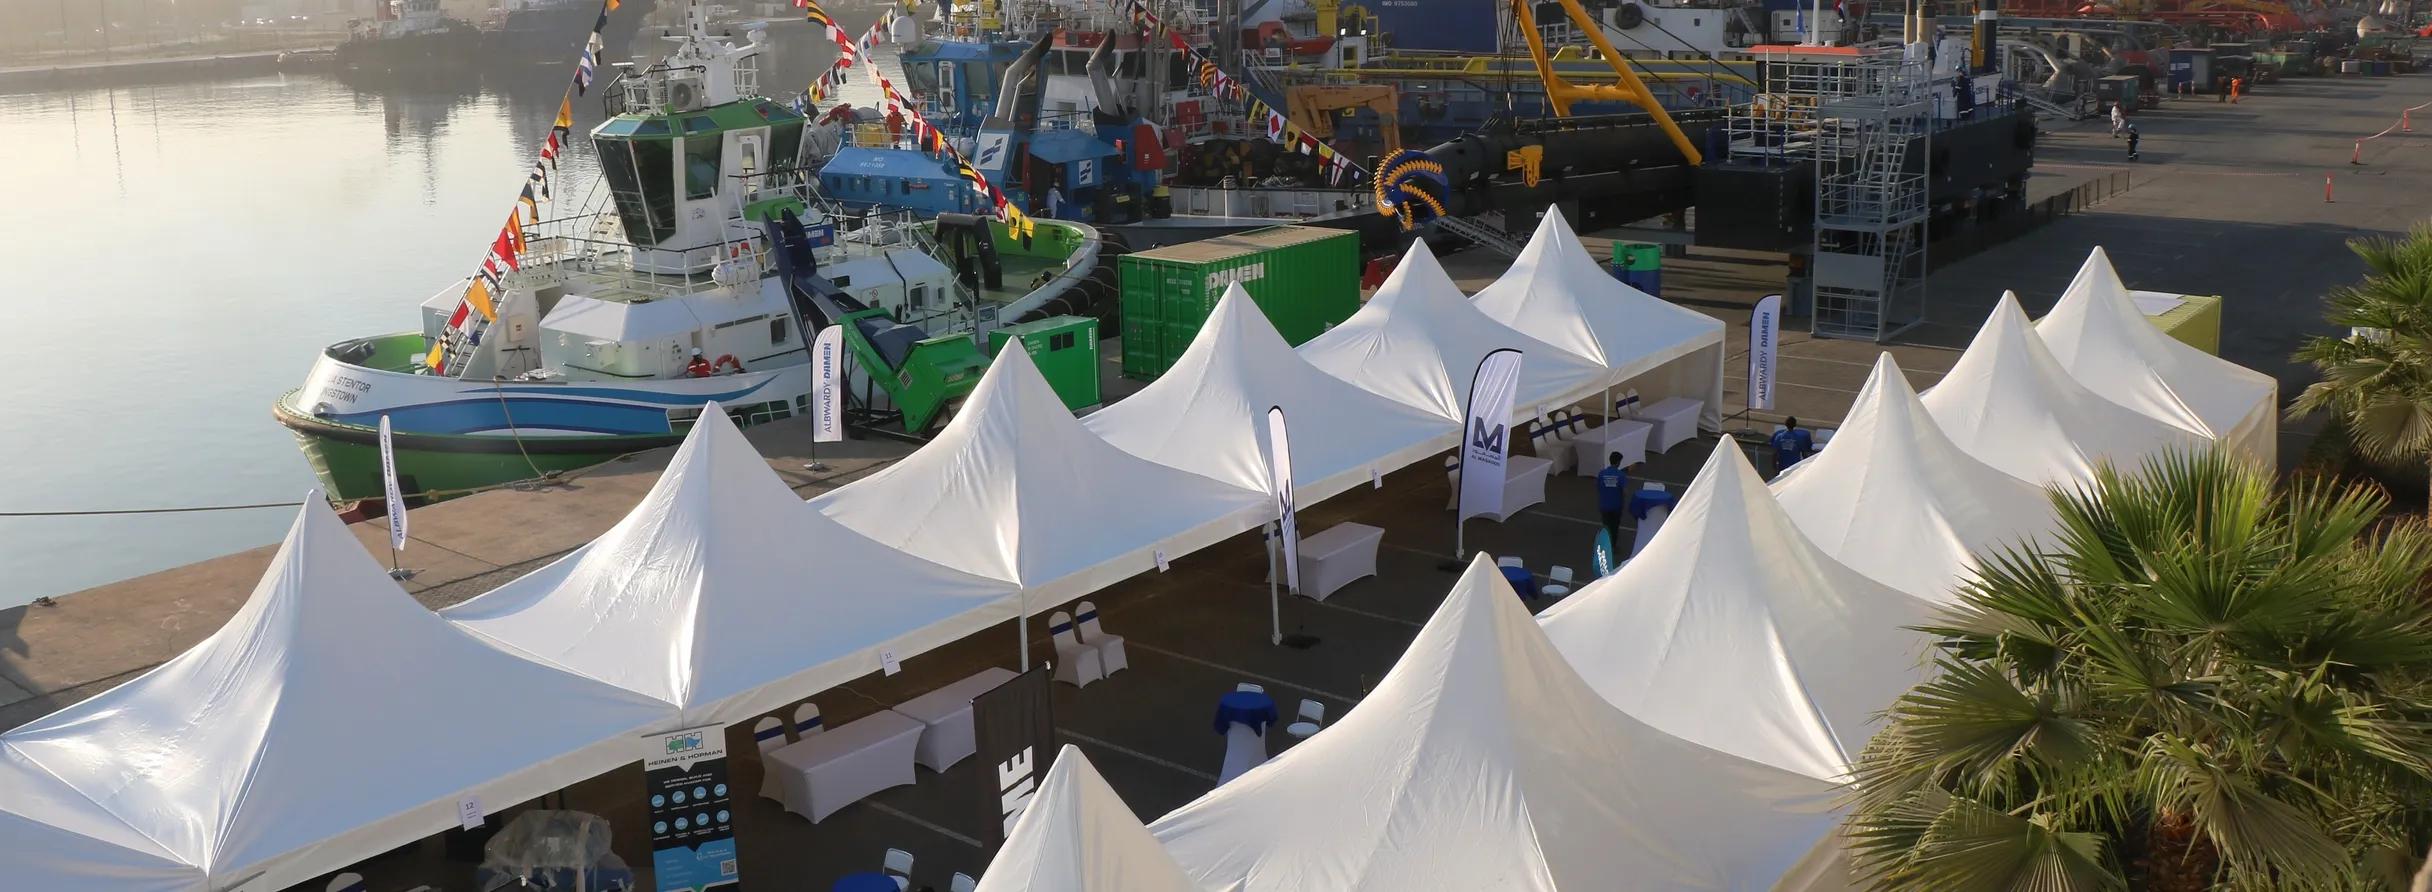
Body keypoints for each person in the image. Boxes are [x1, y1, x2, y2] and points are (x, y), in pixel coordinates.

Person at [1596, 452, 1628, 548]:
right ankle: (1612, 546)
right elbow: (1624, 491)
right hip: (1616, 506)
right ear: (1618, 462)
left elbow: (1598, 487)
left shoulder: (1602, 473)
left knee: (1606, 526)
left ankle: (1605, 544)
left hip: (1604, 505)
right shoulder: (1621, 475)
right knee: (1614, 527)